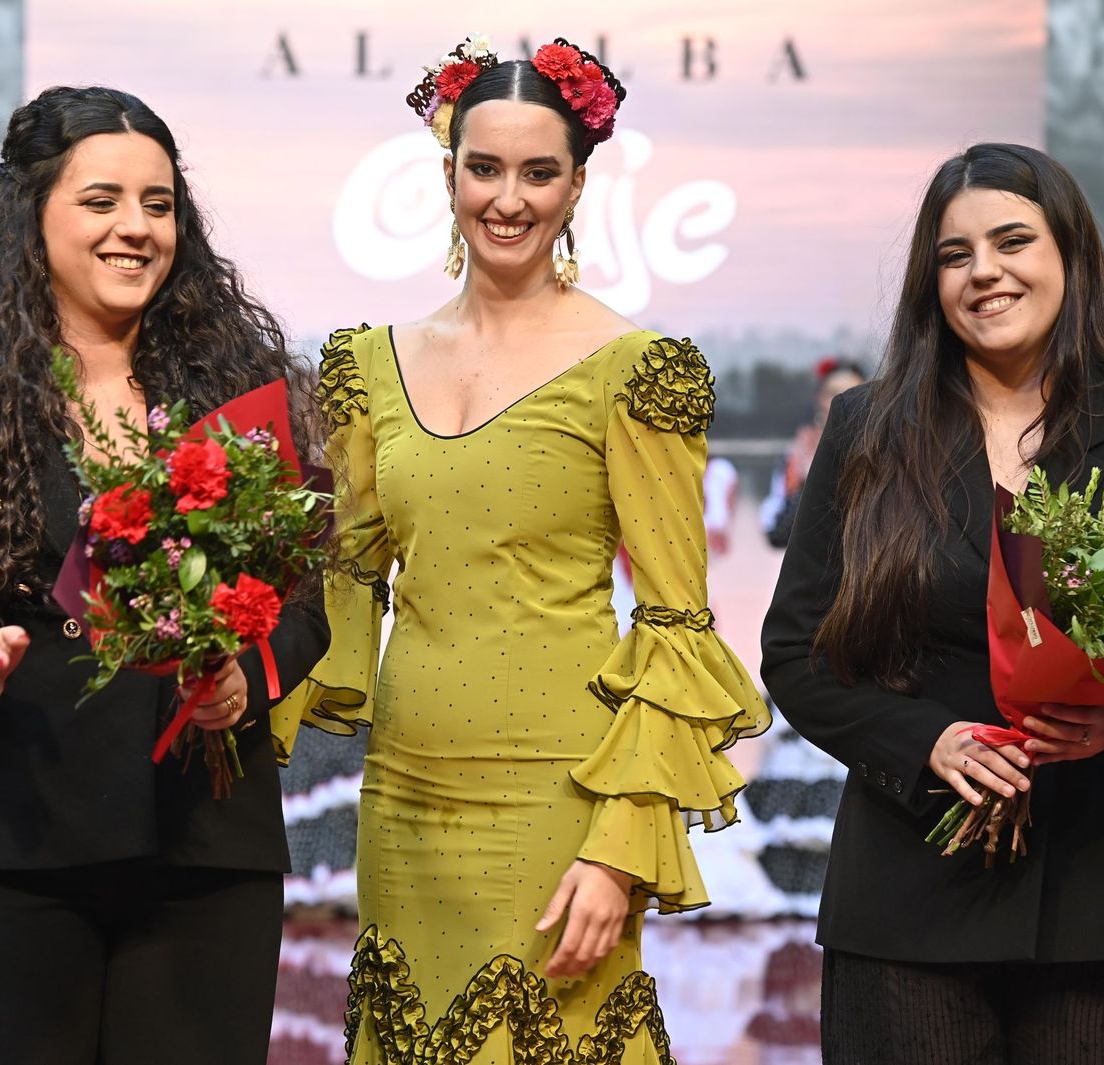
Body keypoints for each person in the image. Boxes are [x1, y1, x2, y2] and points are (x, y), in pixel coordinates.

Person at [760, 142, 1104, 1064]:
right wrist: (924, 743)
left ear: (1069, 252)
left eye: (1012, 240)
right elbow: (796, 652)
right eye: (953, 254)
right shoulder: (868, 428)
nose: (985, 272)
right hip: (908, 904)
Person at [275, 36, 769, 1063]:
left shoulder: (635, 368)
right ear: (447, 172)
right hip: (402, 803)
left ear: (578, 185)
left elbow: (675, 623)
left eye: (539, 172)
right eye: (484, 167)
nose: (508, 198)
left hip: (560, 801)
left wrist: (621, 848)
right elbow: (351, 579)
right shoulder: (366, 366)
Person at [0, 86, 329, 1065]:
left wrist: (249, 676)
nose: (135, 228)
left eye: (158, 202)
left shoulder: (233, 386)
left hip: (205, 855)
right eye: (102, 200)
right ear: (32, 213)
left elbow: (307, 602)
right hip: (2, 850)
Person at [759, 357, 866, 548]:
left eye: (853, 391)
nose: (842, 399)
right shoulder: (795, 456)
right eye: (833, 392)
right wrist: (809, 478)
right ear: (819, 398)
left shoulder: (885, 452)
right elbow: (778, 535)